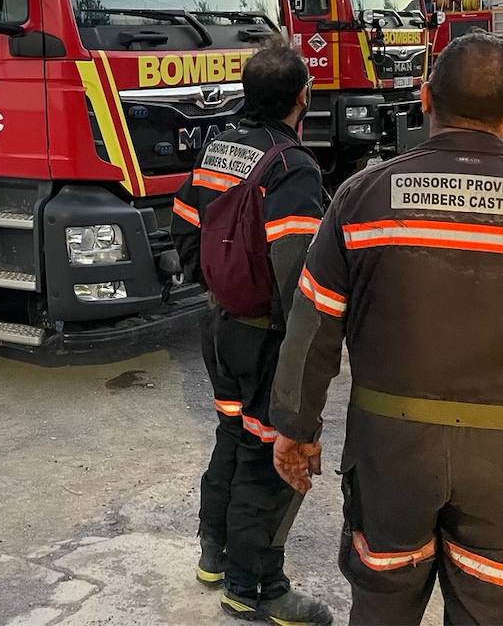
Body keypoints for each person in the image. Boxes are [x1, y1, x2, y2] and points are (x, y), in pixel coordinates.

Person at [270, 31, 503, 626]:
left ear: (423, 97)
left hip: (391, 457)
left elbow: (312, 329)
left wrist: (296, 427)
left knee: (383, 605)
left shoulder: (361, 197)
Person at [172, 40, 332, 626]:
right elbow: (297, 270)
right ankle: (255, 588)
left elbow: (185, 220)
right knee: (269, 457)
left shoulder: (222, 144)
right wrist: (302, 354)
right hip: (267, 338)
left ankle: (214, 556)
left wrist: (213, 285)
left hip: (222, 330)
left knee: (232, 436)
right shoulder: (292, 167)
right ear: (301, 98)